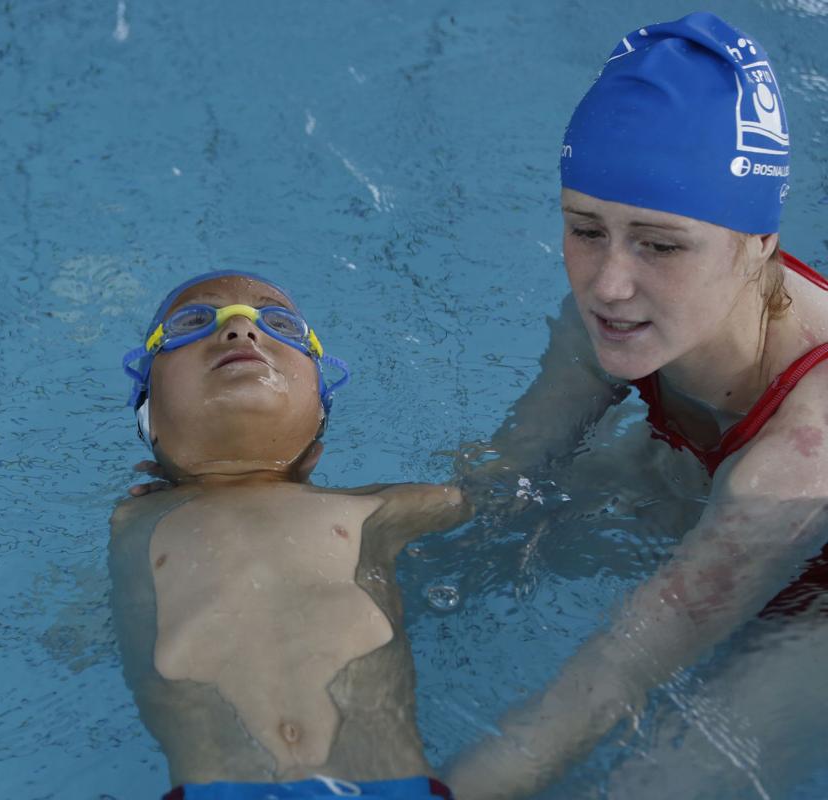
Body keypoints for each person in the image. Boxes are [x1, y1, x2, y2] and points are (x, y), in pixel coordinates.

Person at [443, 12, 828, 799]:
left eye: (660, 244)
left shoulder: (801, 456)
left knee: (655, 784)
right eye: (586, 230)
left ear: (757, 244)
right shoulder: (620, 318)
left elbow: (612, 675)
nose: (609, 285)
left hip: (816, 603)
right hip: (698, 481)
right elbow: (501, 484)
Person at [110, 271, 469, 800]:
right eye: (192, 321)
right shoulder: (133, 523)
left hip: (388, 787)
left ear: (320, 416)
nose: (240, 328)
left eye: (279, 324)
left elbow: (517, 487)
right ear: (150, 419)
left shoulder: (376, 508)